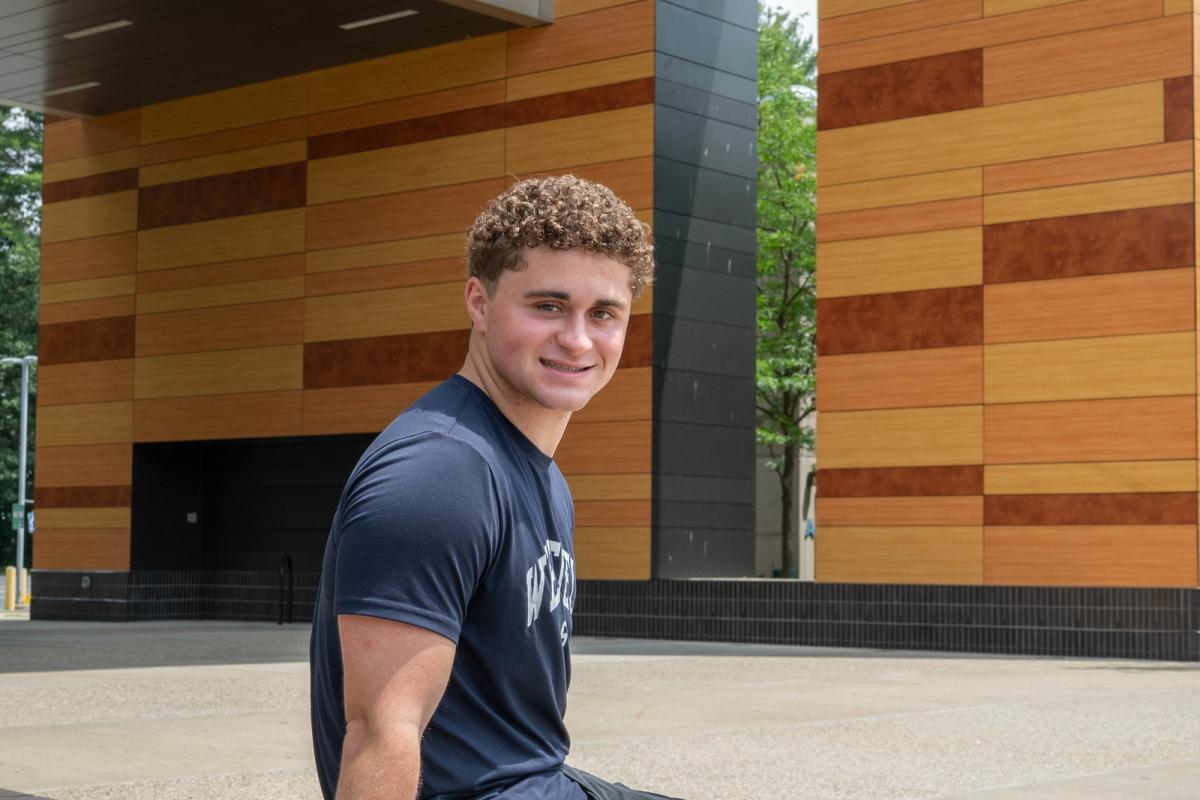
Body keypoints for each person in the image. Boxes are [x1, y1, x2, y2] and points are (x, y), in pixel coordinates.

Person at [310, 175, 681, 800]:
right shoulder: (439, 474)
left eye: (604, 314)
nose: (578, 339)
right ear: (479, 303)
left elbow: (518, 751)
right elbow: (380, 732)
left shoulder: (536, 473)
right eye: (548, 306)